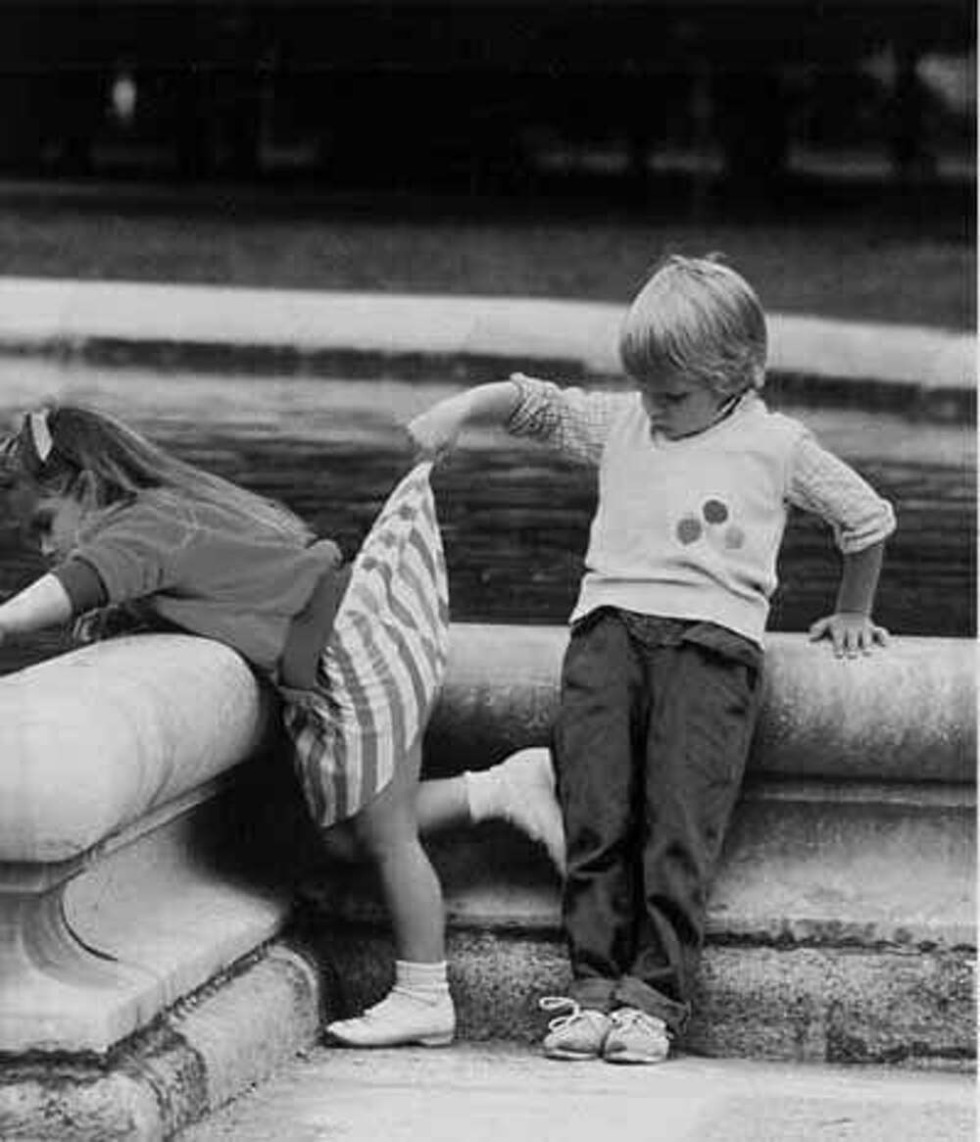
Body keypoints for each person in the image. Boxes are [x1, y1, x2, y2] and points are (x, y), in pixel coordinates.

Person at [407, 254, 896, 1065]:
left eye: (672, 396)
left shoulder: (776, 444)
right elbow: (537, 405)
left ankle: (653, 1000)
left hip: (711, 652)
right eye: (645, 390)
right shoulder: (627, 423)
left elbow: (866, 519)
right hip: (606, 640)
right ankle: (592, 990)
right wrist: (461, 408)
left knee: (679, 828)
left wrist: (853, 610)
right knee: (595, 817)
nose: (655, 410)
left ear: (739, 374)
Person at [0, 402, 562, 1049]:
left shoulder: (140, 527)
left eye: (45, 525)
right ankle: (503, 787)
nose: (46, 550)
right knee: (347, 840)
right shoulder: (172, 513)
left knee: (385, 839)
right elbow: (210, 592)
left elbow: (69, 589)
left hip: (346, 649)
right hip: (346, 640)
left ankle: (424, 996)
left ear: (89, 486)